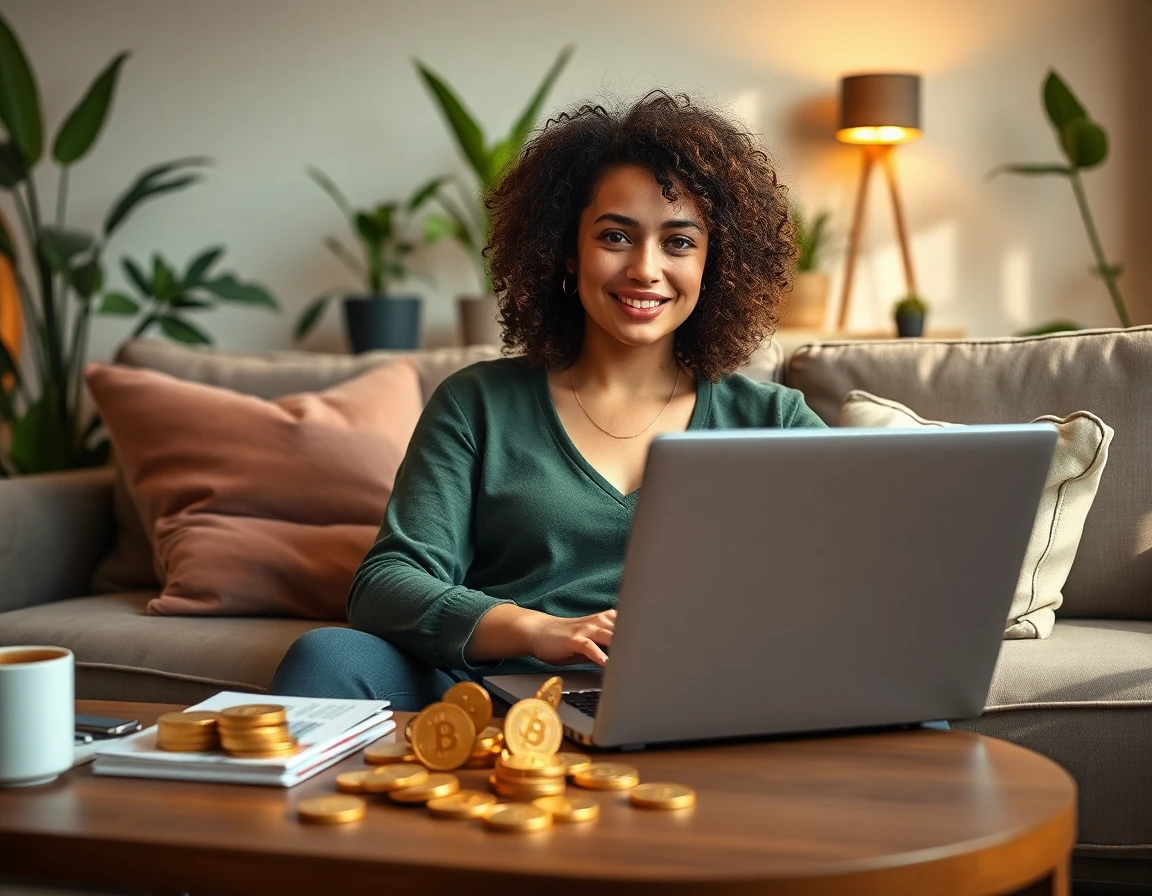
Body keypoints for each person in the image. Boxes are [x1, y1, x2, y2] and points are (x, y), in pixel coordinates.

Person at [269, 91, 826, 709]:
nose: (645, 268)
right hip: (491, 692)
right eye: (616, 236)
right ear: (567, 251)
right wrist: (539, 629)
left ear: (712, 263)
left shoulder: (774, 421)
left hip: (702, 692)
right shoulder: (476, 404)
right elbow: (385, 584)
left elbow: (855, 583)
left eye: (678, 242)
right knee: (328, 657)